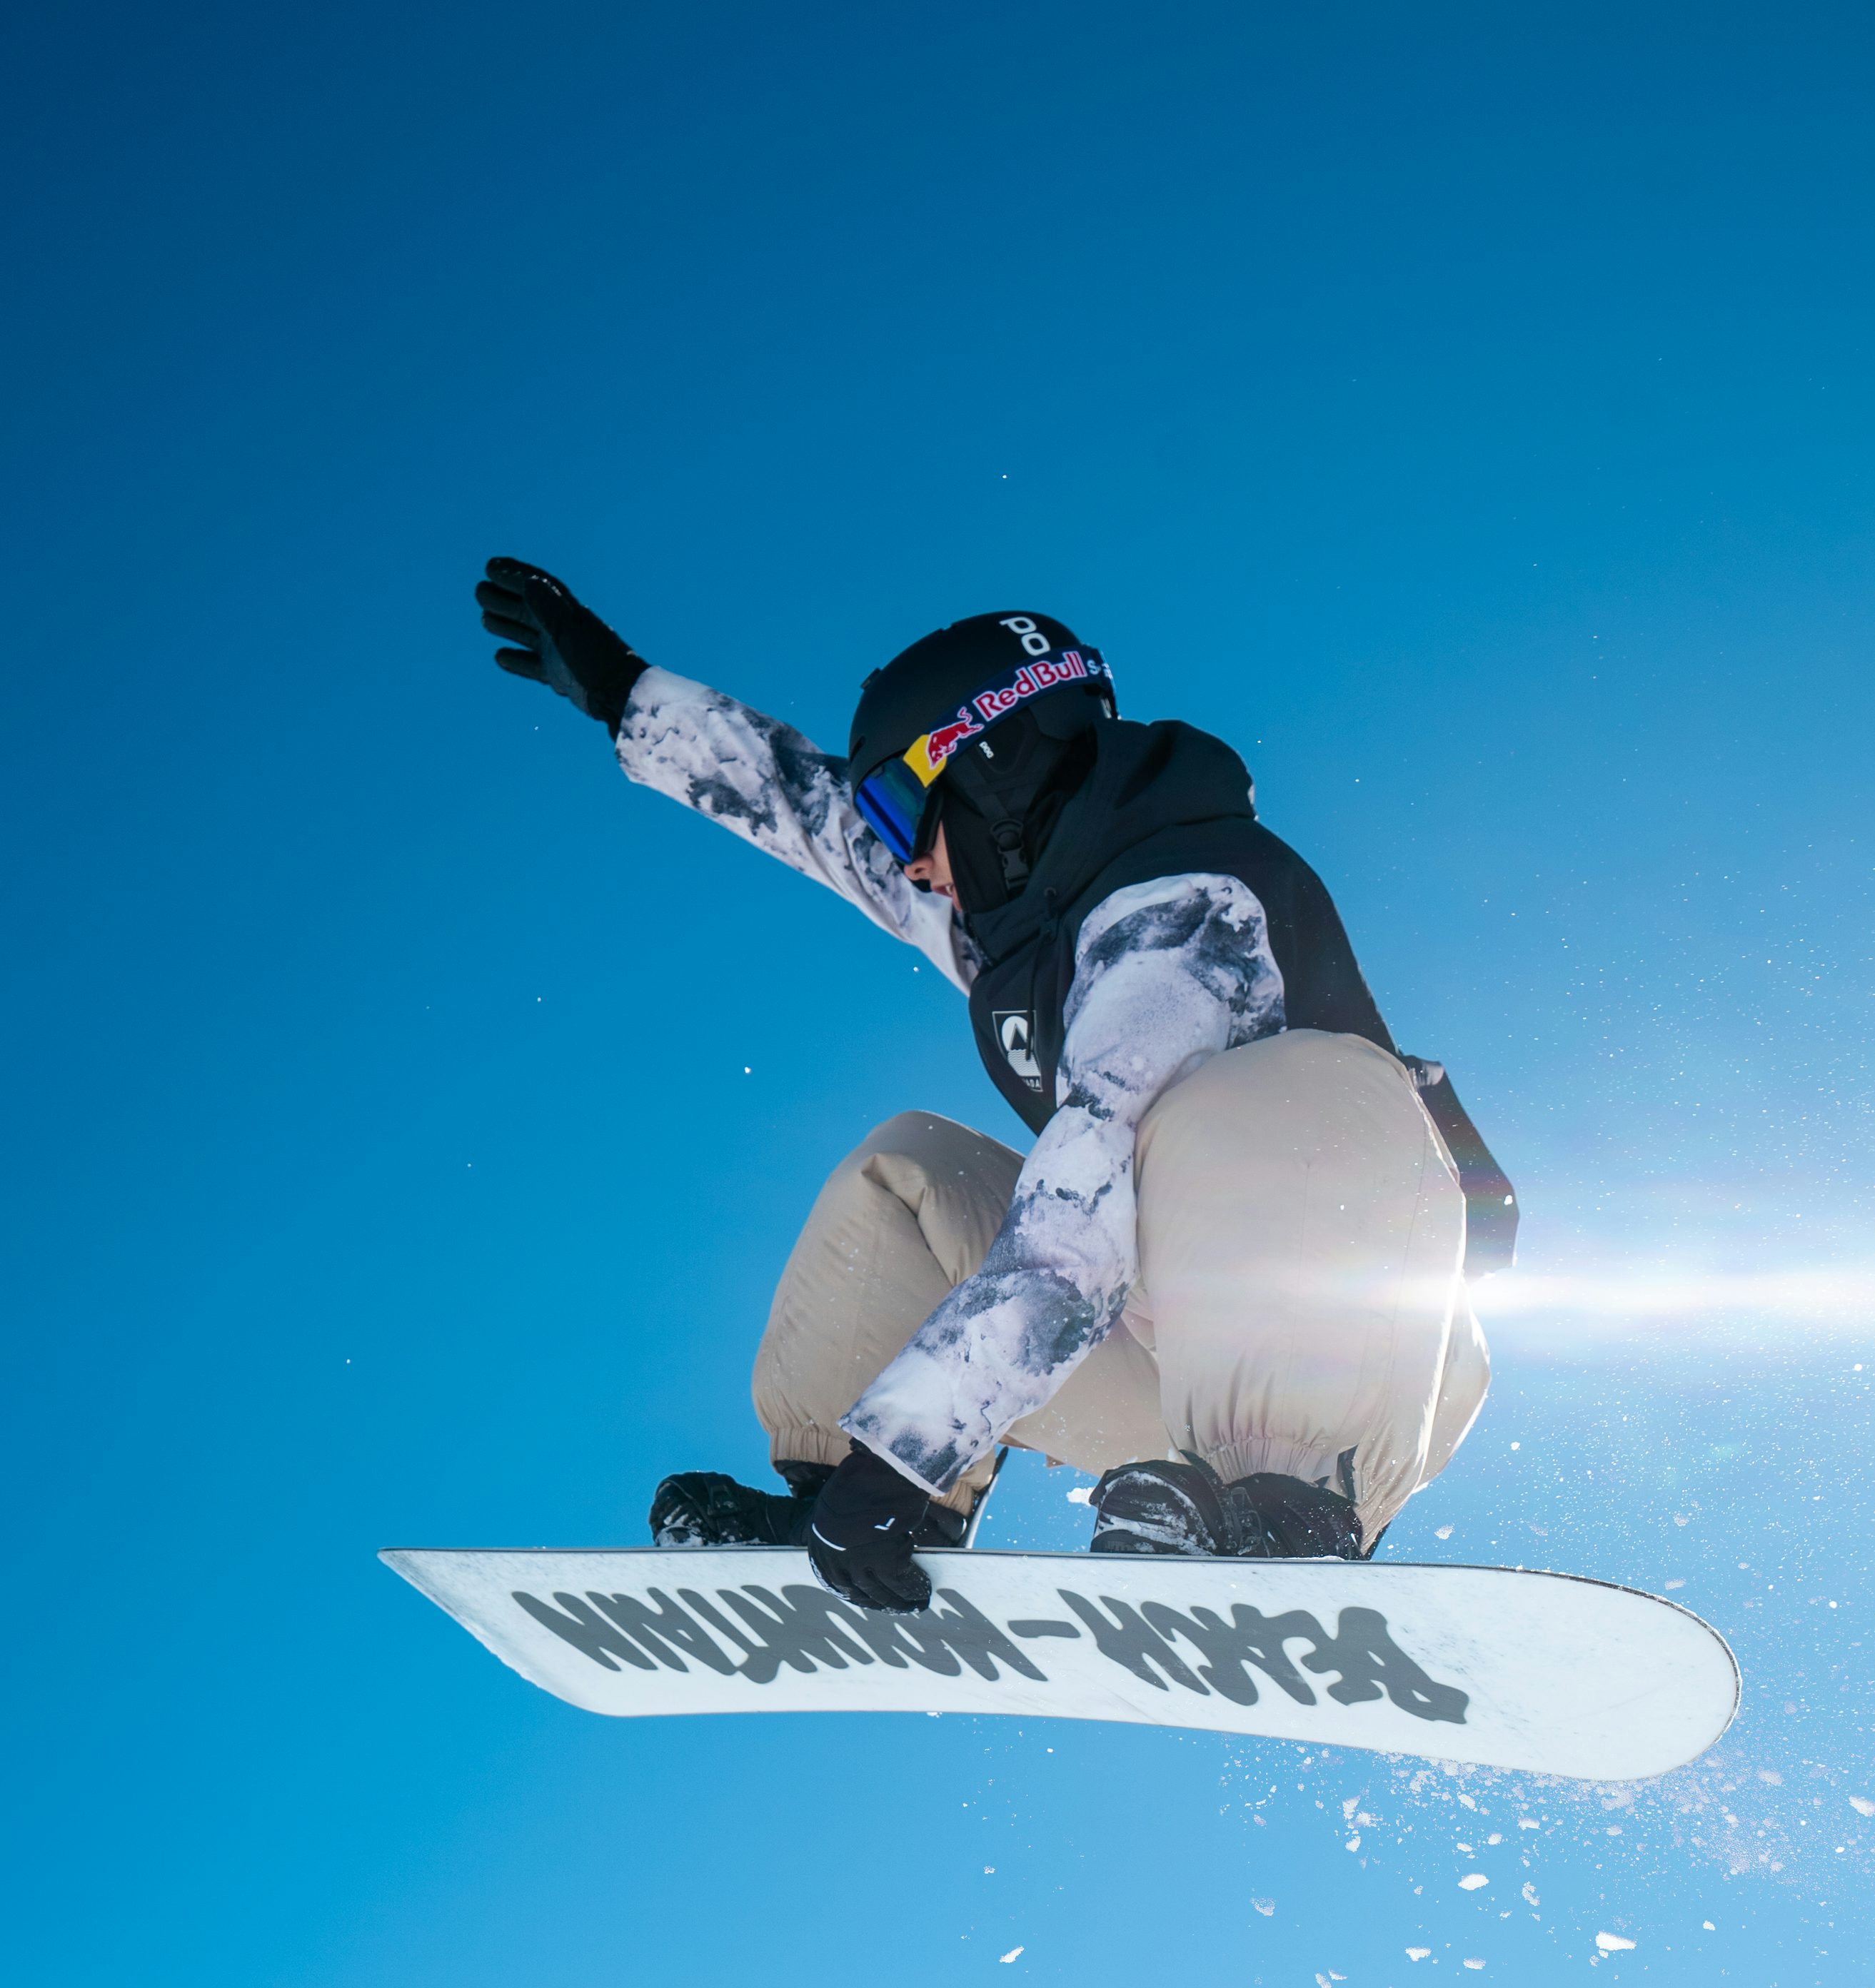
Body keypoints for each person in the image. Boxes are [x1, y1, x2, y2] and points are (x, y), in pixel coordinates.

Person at [475, 560, 1515, 1613]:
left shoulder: (1184, 918)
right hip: (1167, 1376)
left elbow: (1074, 1231)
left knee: (1255, 1097)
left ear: (993, 769)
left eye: (900, 810)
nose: (905, 861)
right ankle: (854, 1514)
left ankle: (1283, 1517)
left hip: (1352, 1381)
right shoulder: (1021, 919)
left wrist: (906, 1448)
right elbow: (814, 818)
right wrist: (620, 690)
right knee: (904, 1171)